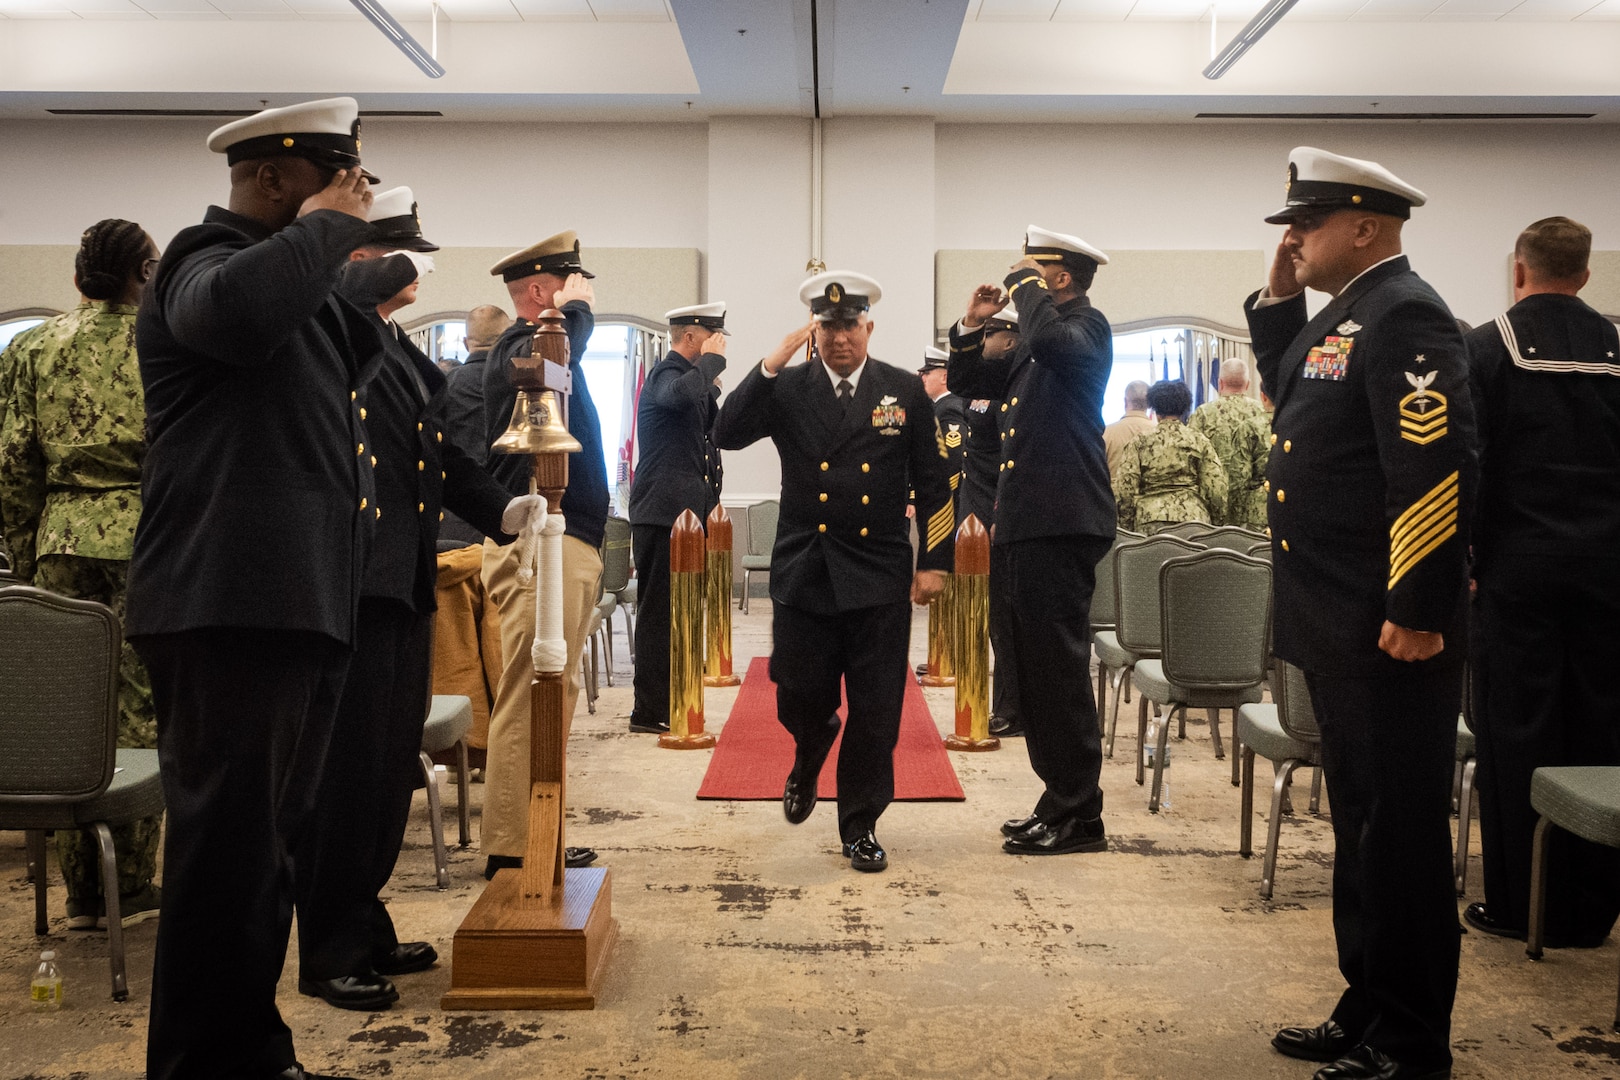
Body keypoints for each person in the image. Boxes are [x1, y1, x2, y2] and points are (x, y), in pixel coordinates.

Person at [127, 97, 383, 1080]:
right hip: (226, 604)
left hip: (293, 604)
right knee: (223, 861)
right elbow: (237, 314)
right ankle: (201, 1063)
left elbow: (351, 358)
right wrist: (327, 233)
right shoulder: (200, 261)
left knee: (263, 858)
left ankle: (250, 1049)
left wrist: (352, 246)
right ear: (271, 177)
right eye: (337, 176)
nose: (352, 193)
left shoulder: (296, 287)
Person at [1247, 147, 1473, 1080]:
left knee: (1403, 832)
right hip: (1340, 621)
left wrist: (1418, 604)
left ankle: (1412, 1040)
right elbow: (1295, 395)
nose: (1292, 237)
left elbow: (1433, 467)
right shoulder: (1350, 314)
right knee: (1363, 823)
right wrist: (1277, 299)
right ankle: (1367, 1003)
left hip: (1388, 627)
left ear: (1366, 226)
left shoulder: (1407, 313)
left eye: (1307, 223)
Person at [290, 187, 536, 1012]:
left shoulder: (396, 349)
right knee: (344, 777)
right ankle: (327, 950)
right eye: (396, 254)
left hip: (402, 581)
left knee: (387, 768)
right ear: (357, 260)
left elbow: (438, 458)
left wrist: (503, 508)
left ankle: (364, 919)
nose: (415, 269)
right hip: (355, 585)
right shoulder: (334, 335)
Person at [711, 271, 953, 873]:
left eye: (850, 325)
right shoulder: (787, 389)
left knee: (876, 710)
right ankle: (811, 743)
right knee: (797, 691)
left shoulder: (902, 390)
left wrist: (935, 562)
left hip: (877, 571)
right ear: (812, 330)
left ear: (868, 327)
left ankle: (861, 823)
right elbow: (726, 432)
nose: (840, 337)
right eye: (828, 326)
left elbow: (934, 480)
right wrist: (769, 365)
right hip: (806, 569)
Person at [0, 218, 163, 930]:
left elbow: (12, 461)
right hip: (147, 539)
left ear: (76, 278)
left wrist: (26, 545)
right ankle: (129, 883)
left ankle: (81, 894)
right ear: (146, 274)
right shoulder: (163, 343)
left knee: (69, 712)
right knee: (142, 709)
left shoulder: (33, 346)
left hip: (59, 537)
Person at [1463, 215, 1620, 950]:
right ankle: (1592, 910)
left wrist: (1464, 564)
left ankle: (1521, 904)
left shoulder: (1486, 348)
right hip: (1609, 577)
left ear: (1516, 270)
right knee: (1601, 731)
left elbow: (1468, 469)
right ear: (1586, 275)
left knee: (1516, 732)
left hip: (1516, 573)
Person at [947, 225, 1116, 857]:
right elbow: (972, 383)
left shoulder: (1086, 330)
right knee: (1032, 671)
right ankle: (1059, 801)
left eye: (1033, 273)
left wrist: (1023, 289)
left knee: (1059, 673)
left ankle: (1080, 815)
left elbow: (1048, 335)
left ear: (1061, 278)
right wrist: (971, 324)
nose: (1020, 284)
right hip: (1026, 523)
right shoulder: (1037, 345)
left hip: (1063, 521)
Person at [479, 230, 608, 880]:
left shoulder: (543, 344)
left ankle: (540, 830)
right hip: (537, 541)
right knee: (532, 691)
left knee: (555, 692)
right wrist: (577, 313)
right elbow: (555, 359)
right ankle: (510, 845)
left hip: (567, 538)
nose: (582, 294)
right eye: (569, 283)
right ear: (539, 292)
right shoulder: (522, 345)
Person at [627, 302, 729, 736]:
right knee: (658, 615)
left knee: (683, 611)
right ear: (691, 338)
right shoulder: (665, 375)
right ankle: (648, 711)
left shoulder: (693, 381)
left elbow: (718, 433)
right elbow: (678, 397)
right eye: (713, 337)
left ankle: (675, 695)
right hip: (661, 515)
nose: (721, 344)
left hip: (687, 515)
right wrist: (709, 367)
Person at [957, 308, 1024, 738]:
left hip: (996, 517)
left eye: (991, 335)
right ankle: (986, 699)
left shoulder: (1011, 388)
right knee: (979, 615)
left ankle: (1011, 709)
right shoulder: (984, 382)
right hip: (973, 512)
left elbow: (1011, 461)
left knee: (1002, 618)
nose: (984, 342)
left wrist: (1001, 514)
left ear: (1012, 339)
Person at [1113, 379, 1228, 534]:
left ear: (1155, 410)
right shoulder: (1199, 440)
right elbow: (1216, 488)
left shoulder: (1139, 442)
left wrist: (1128, 527)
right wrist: (1215, 523)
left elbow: (1124, 489)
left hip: (1150, 521)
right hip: (1194, 521)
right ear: (1184, 410)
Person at [1189, 357, 1272, 530]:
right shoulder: (1261, 411)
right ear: (1248, 384)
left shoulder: (1203, 413)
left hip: (1211, 501)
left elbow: (1191, 459)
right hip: (1252, 507)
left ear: (1220, 383)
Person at [1102, 380, 1155, 479]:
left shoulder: (1107, 433)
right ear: (1149, 404)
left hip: (1113, 493)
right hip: (1152, 494)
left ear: (1125, 402)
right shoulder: (1159, 432)